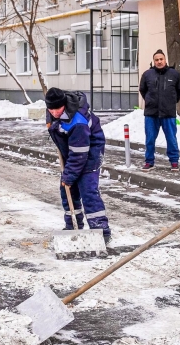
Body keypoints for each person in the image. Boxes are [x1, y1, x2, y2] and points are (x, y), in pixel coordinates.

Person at [45, 87, 111, 243]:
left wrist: (69, 176)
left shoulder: (78, 121)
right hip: (73, 151)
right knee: (67, 190)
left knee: (88, 191)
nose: (54, 112)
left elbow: (79, 154)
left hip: (90, 152)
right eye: (51, 109)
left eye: (57, 109)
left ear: (64, 105)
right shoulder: (53, 112)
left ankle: (101, 231)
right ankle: (73, 226)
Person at [138, 49, 180, 172]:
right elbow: (143, 90)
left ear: (165, 60)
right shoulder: (147, 74)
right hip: (151, 113)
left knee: (171, 139)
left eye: (161, 59)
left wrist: (171, 101)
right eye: (156, 60)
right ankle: (149, 162)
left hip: (168, 113)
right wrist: (149, 100)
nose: (159, 61)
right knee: (150, 139)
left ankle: (174, 162)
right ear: (154, 61)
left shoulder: (174, 74)